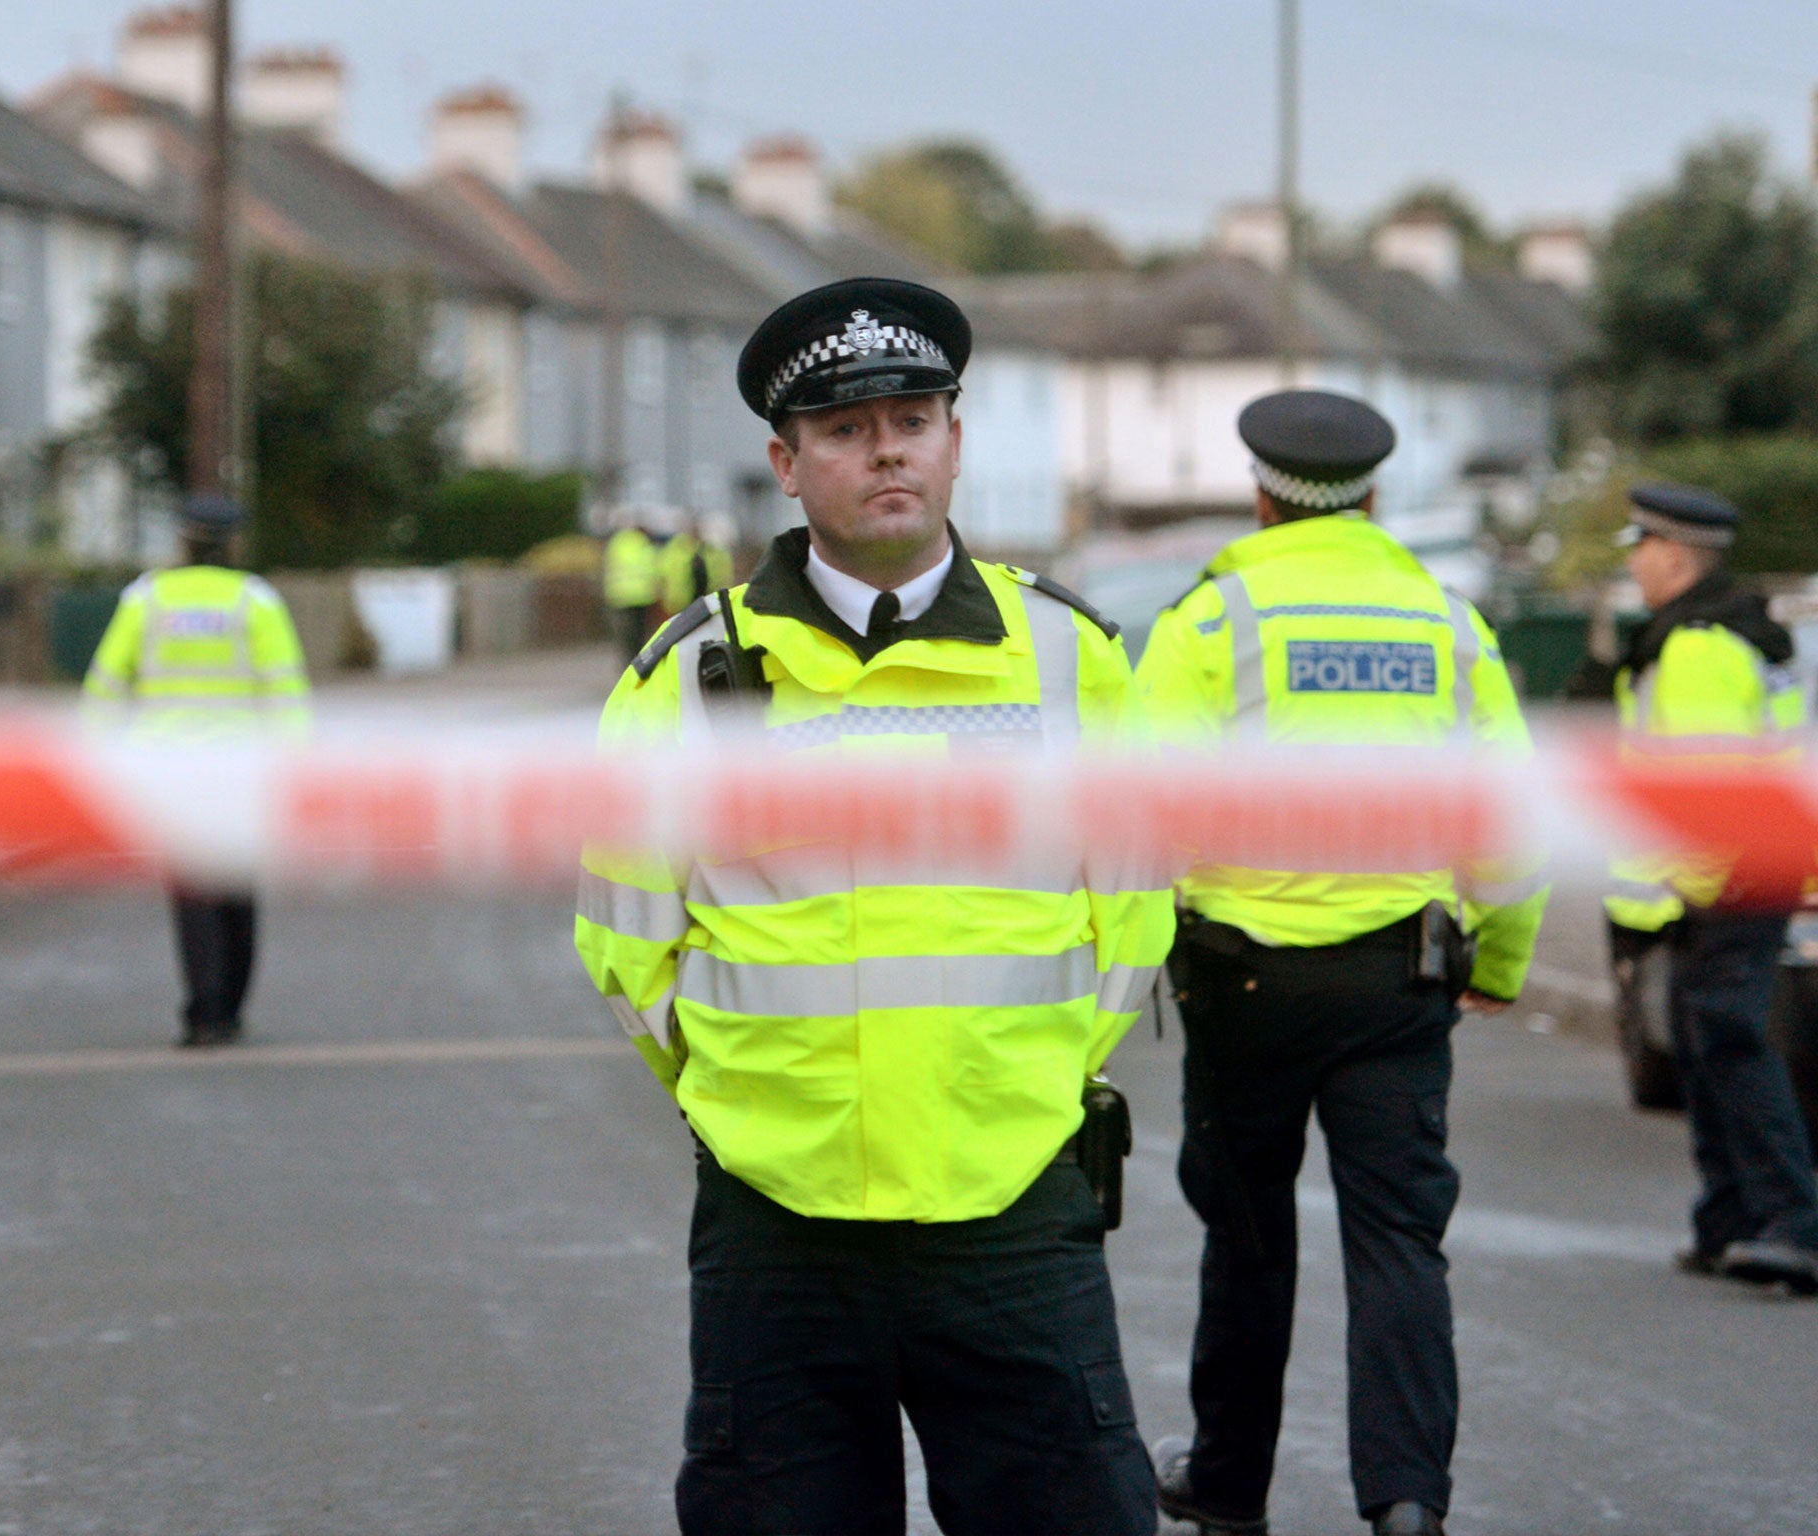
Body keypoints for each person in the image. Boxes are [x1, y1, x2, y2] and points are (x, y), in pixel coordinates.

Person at [575, 277, 1173, 1536]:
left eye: (910, 417)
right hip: (778, 1226)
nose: (884, 448)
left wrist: (1028, 1077)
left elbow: (1131, 914)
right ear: (787, 466)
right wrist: (747, 1097)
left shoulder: (1068, 658)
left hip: (1010, 1207)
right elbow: (627, 945)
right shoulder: (689, 678)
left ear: (954, 440)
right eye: (844, 431)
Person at [1131, 390, 1548, 1536]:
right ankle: (1406, 1504)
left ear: (1260, 495)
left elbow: (1139, 815)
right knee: (1398, 1246)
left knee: (1247, 1238)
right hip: (1397, 984)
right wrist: (1499, 960)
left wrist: (1138, 954)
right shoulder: (1445, 623)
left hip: (1242, 985)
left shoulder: (1208, 623)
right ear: (1370, 497)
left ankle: (1225, 1487)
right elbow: (1509, 822)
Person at [1604, 482, 1818, 1292]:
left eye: (1642, 546)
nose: (1633, 561)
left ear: (1675, 555)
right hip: (1741, 875)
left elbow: (1704, 784)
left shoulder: (1696, 645)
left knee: (1727, 1039)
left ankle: (1794, 1223)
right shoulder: (1725, 633)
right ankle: (1729, 1217)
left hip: (1723, 880)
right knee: (1704, 1042)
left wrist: (1688, 889)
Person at [82, 493, 309, 1048]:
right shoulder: (255, 601)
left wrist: (94, 756)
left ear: (182, 539)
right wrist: (297, 770)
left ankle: (204, 1013)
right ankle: (230, 1006)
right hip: (242, 767)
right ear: (233, 542)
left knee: (191, 894)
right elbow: (285, 690)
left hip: (169, 769)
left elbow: (108, 682)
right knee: (236, 889)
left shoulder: (147, 598)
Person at [603, 515, 660, 667]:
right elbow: (653, 569)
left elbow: (610, 566)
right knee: (638, 636)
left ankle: (629, 665)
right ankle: (638, 664)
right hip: (640, 596)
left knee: (627, 637)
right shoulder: (645, 544)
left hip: (621, 596)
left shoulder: (618, 542)